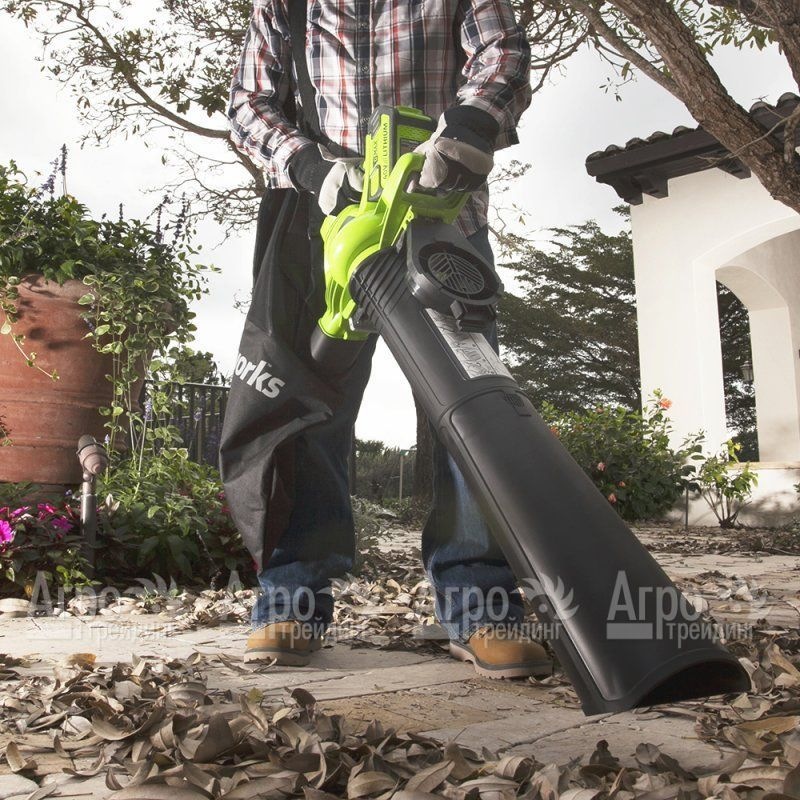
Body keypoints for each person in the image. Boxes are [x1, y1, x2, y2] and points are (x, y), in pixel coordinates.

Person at [226, 0, 551, 680]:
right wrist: (310, 166)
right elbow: (250, 105)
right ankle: (291, 597)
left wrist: (466, 129)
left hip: (442, 226)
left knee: (471, 415)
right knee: (309, 411)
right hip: (328, 232)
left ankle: (481, 603)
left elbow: (503, 55)